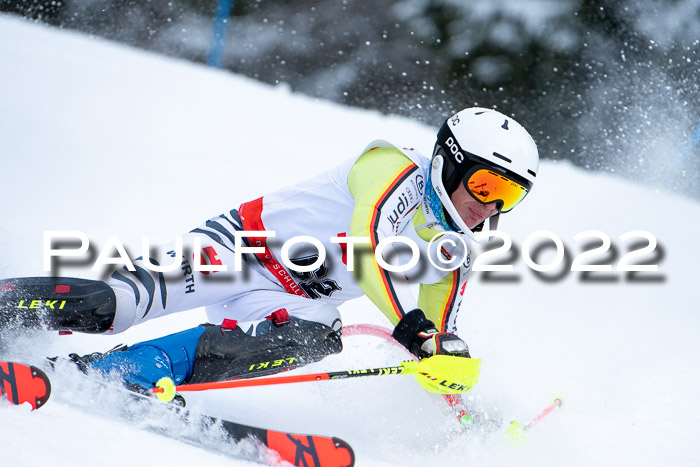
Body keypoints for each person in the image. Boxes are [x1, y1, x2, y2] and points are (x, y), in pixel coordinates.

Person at [0, 107, 539, 395]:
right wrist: (414, 327)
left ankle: (128, 372)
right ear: (450, 160)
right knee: (114, 306)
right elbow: (365, 244)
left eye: (510, 195)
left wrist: (447, 374)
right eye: (487, 184)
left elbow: (434, 335)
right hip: (237, 252)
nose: (490, 207)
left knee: (318, 335)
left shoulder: (455, 250)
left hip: (282, 299)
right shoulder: (392, 165)